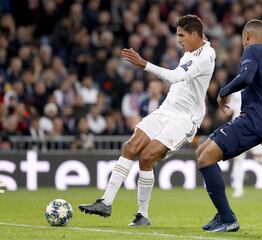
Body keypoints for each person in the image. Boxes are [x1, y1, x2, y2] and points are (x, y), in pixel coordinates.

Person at [79, 15, 216, 226]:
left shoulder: (204, 57)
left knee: (146, 157)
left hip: (185, 119)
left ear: (195, 35)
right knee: (130, 147)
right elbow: (200, 35)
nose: (178, 40)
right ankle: (105, 202)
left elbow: (173, 77)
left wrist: (143, 64)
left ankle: (143, 214)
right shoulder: (196, 45)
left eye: (181, 35)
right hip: (165, 110)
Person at [195, 19, 262, 232]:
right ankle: (222, 214)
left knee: (205, 159)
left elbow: (246, 77)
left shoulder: (253, 50)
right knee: (202, 151)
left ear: (246, 36)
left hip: (252, 119)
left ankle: (227, 218)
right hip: (259, 121)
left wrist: (223, 91)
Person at [228, 91, 262, 198]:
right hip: (238, 127)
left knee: (259, 158)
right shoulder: (235, 91)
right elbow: (229, 108)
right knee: (238, 159)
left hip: (255, 128)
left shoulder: (258, 89)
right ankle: (238, 188)